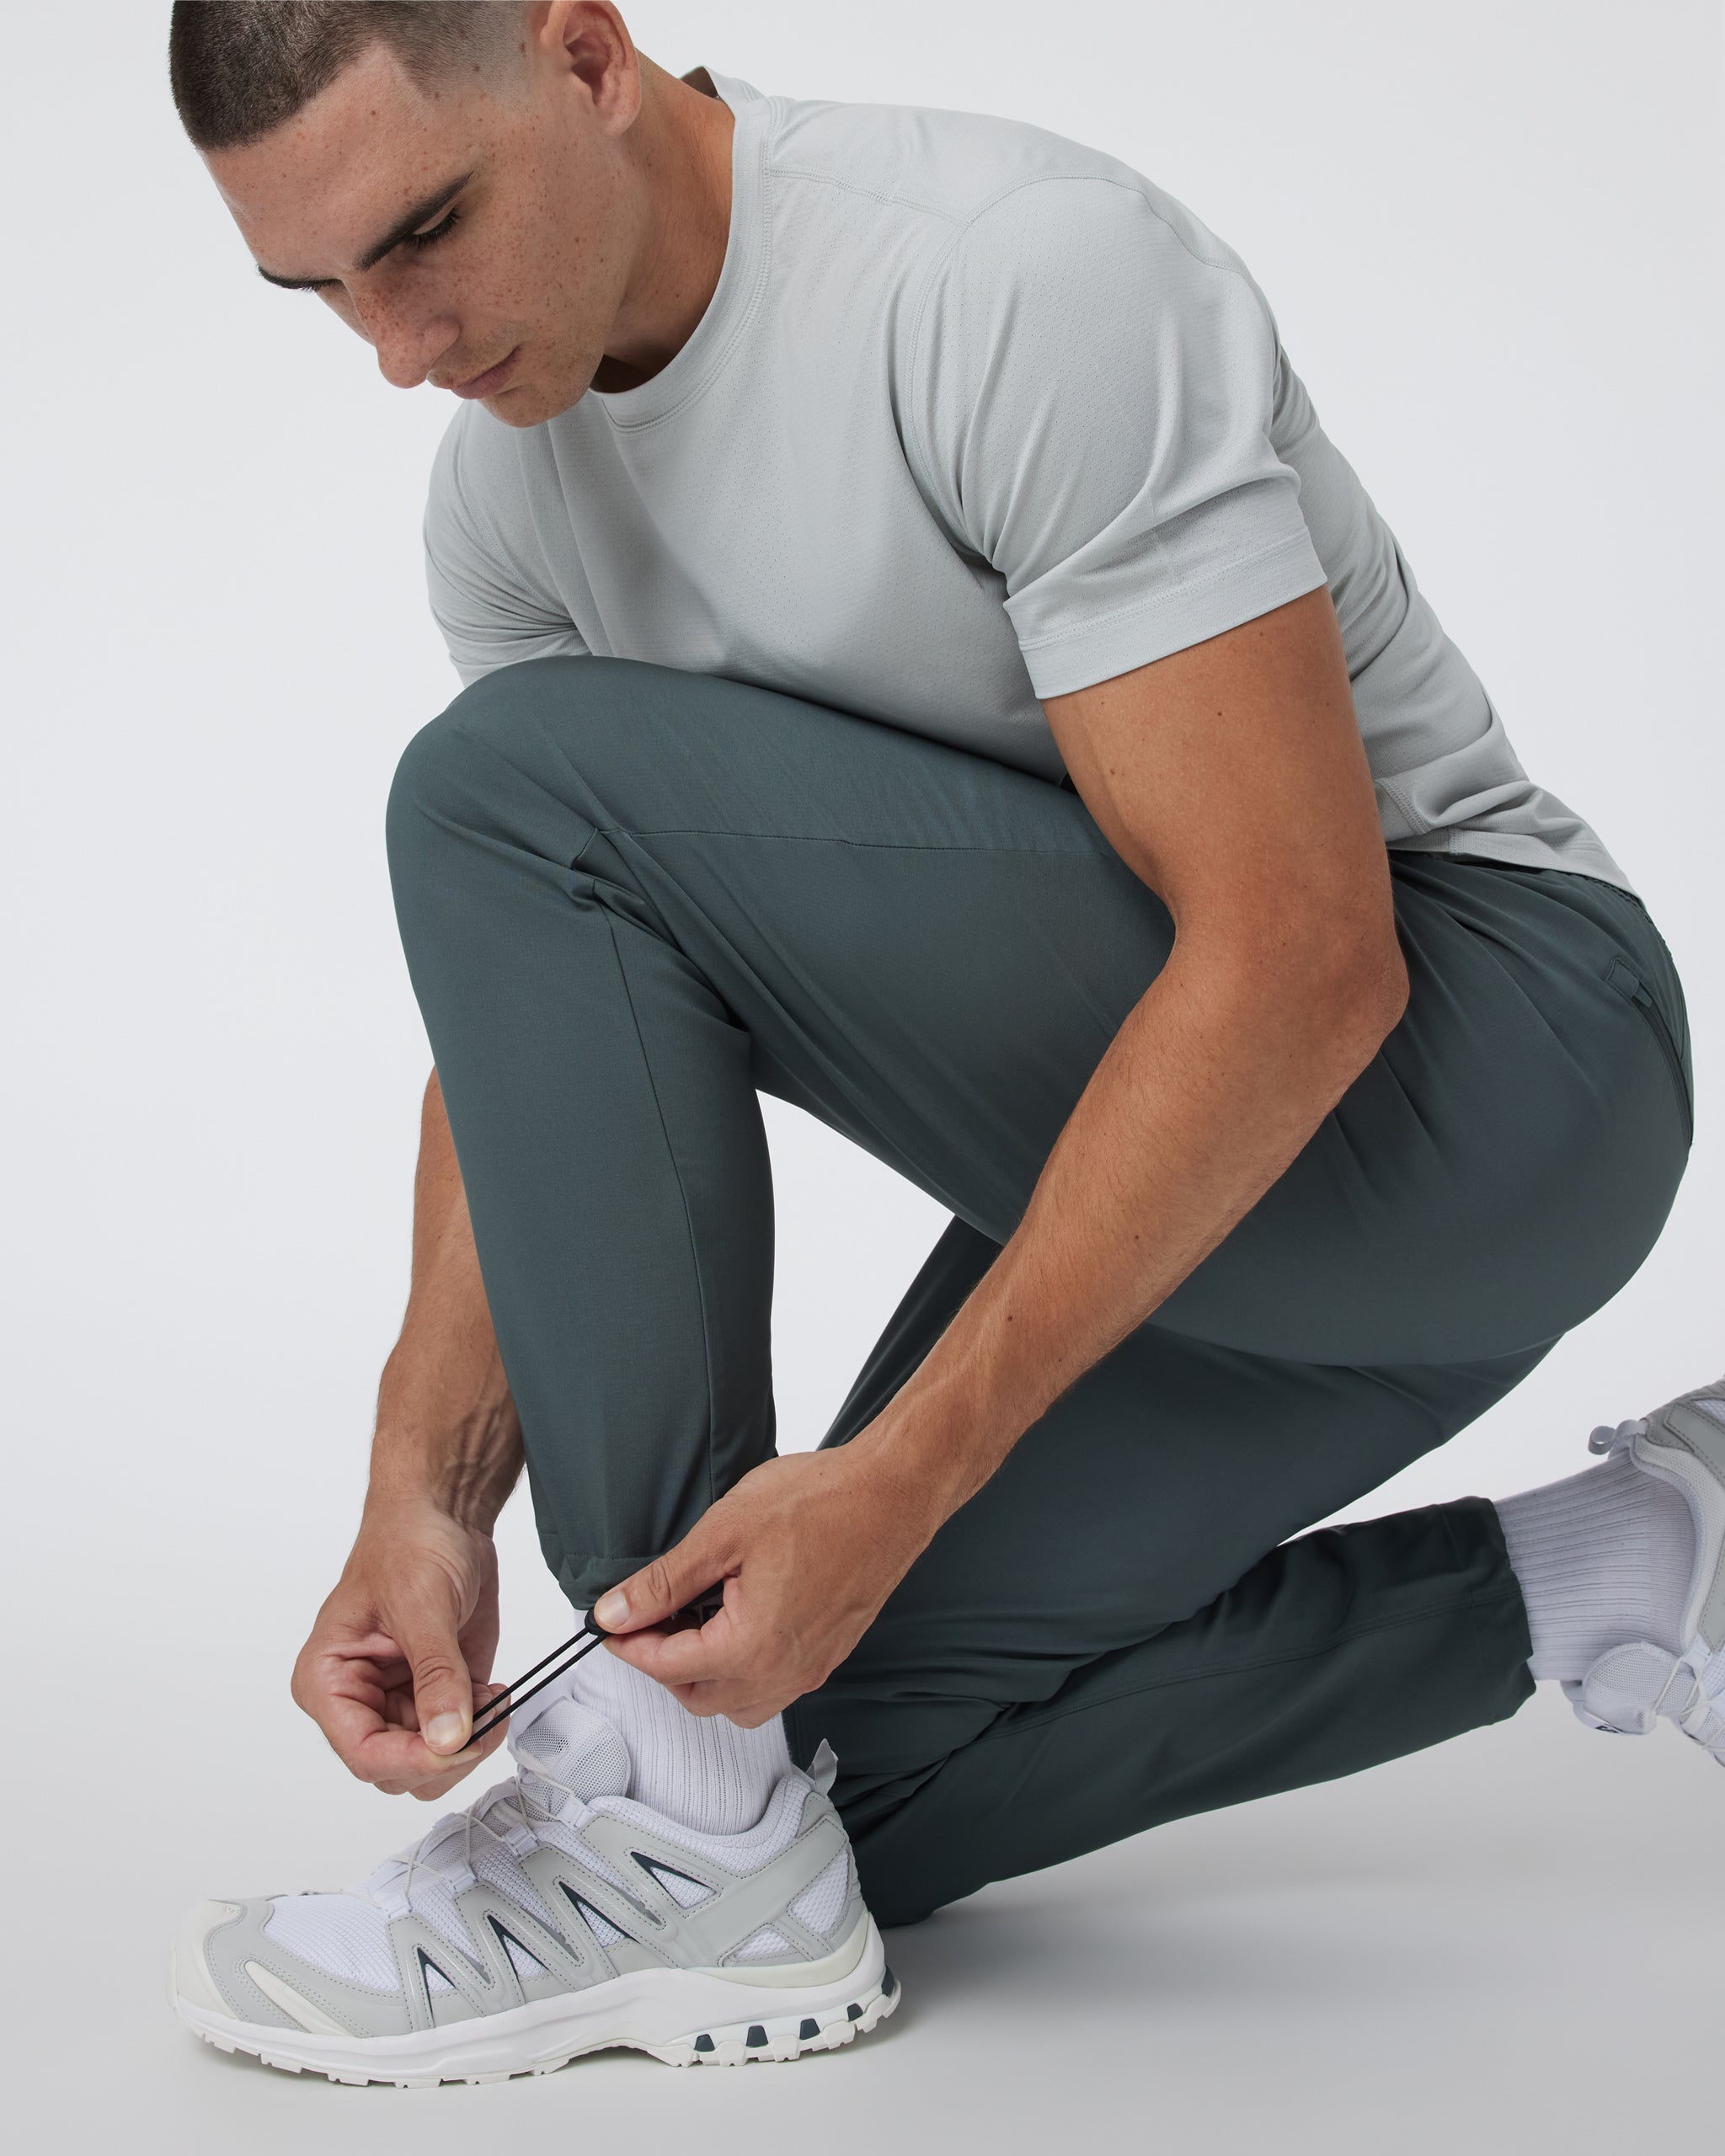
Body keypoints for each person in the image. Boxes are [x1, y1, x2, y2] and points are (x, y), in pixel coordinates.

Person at [164, 0, 1722, 2089]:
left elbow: (1299, 953)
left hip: (1490, 1072)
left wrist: (902, 1475)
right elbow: (538, 1018)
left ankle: (678, 1822)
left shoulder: (1001, 279)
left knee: (497, 787)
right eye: (323, 290)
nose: (396, 345)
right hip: (1201, 1175)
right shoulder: (512, 503)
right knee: (827, 1767)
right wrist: (423, 1485)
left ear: (585, 59)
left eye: (425, 230)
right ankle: (1645, 1561)